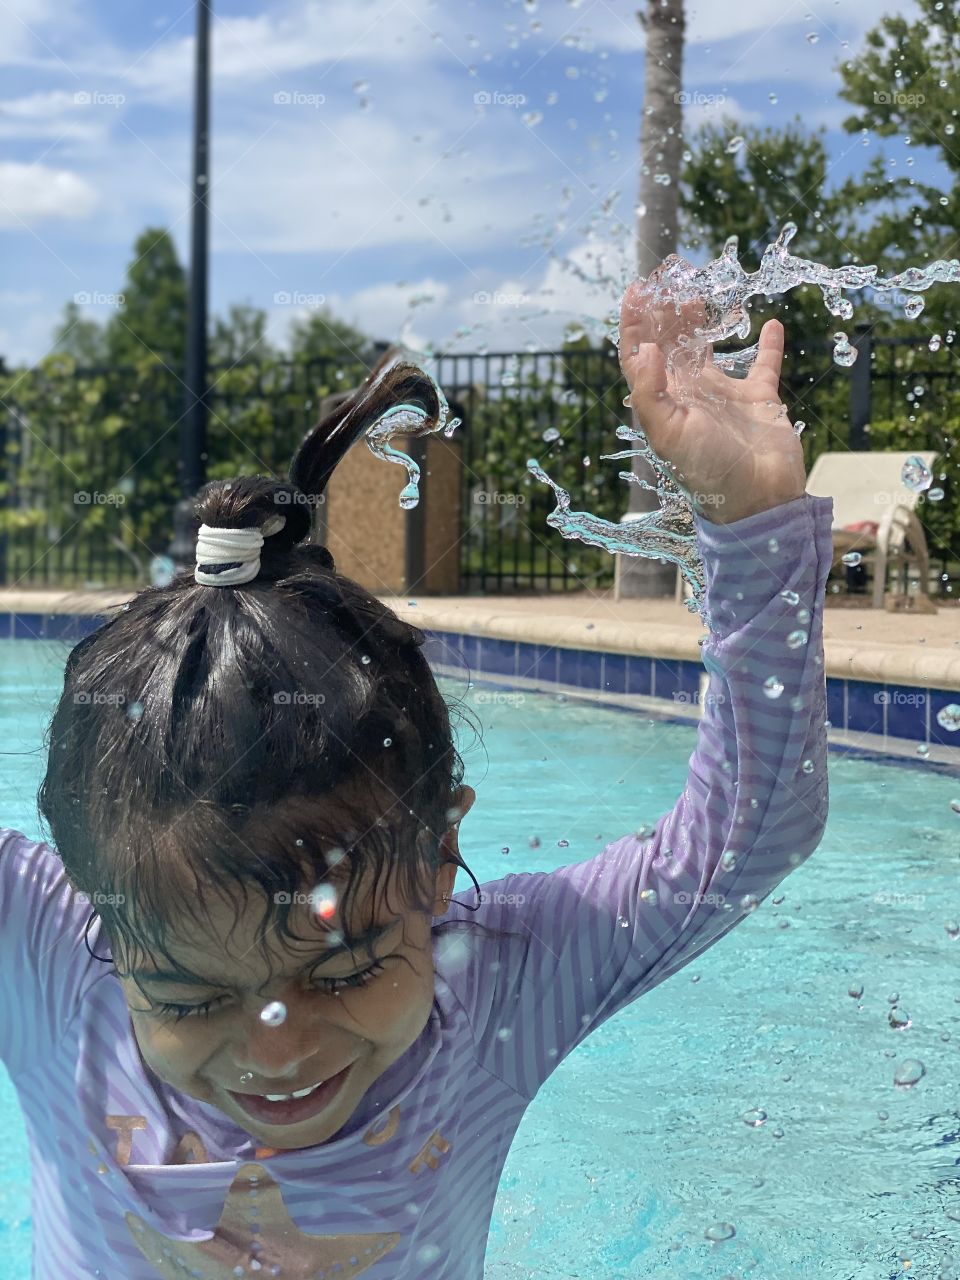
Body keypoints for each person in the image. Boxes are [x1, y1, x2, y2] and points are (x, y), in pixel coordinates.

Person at [0, 278, 831, 1279]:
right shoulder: (46, 964)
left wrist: (754, 526)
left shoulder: (491, 988)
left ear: (441, 858)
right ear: (97, 908)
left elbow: (749, 830)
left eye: (348, 969)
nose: (278, 1051)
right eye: (187, 996)